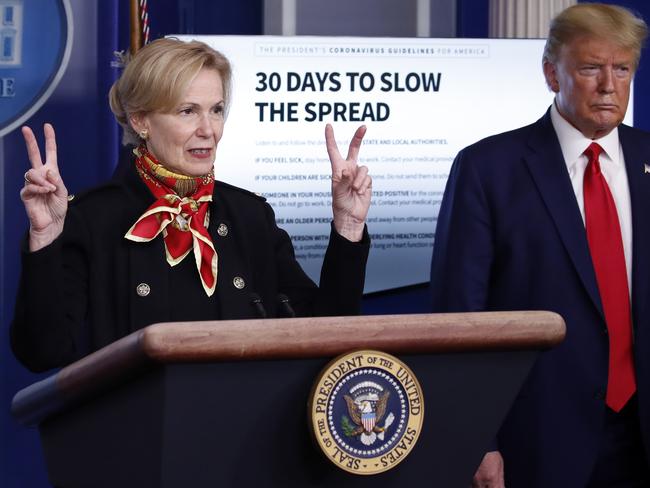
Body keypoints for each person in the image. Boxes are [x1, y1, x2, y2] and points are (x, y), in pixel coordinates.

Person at [11, 38, 372, 373]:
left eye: (215, 110)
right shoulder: (92, 220)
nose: (208, 129)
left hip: (240, 431)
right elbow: (42, 353)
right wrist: (45, 238)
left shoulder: (250, 218)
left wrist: (348, 229)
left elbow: (324, 333)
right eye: (187, 111)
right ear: (141, 120)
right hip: (135, 438)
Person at [430, 4, 650, 487]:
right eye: (591, 68)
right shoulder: (488, 169)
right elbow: (457, 318)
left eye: (623, 69)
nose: (609, 85)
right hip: (538, 438)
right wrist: (475, 437)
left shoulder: (647, 160)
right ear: (553, 74)